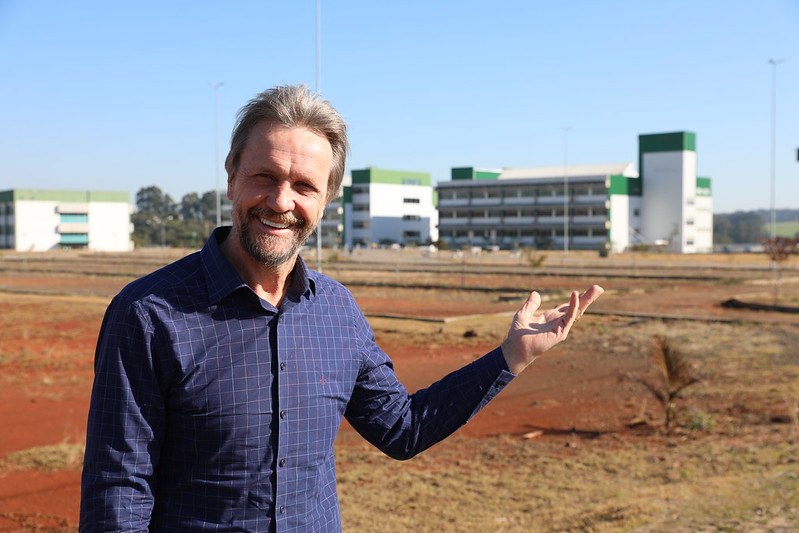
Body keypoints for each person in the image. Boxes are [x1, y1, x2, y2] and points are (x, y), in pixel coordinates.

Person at [80, 84, 604, 532]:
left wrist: (512, 356)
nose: (281, 201)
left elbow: (402, 428)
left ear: (327, 199)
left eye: (304, 186)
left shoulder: (336, 311)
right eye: (265, 176)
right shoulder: (148, 314)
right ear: (232, 175)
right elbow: (118, 489)